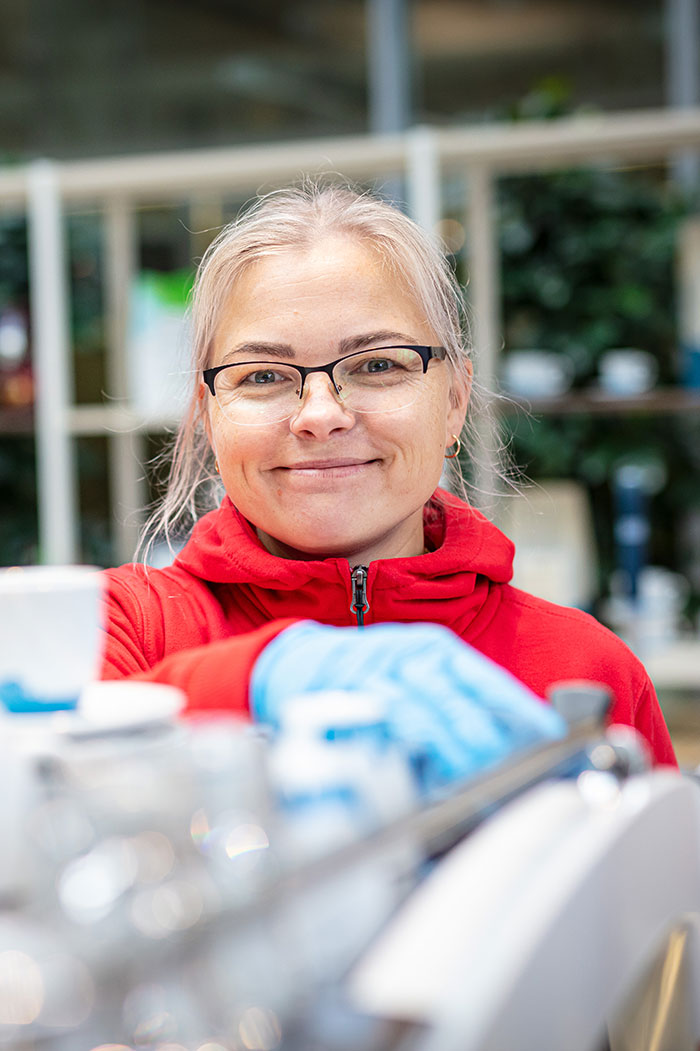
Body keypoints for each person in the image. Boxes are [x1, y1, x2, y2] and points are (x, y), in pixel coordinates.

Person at [101, 182, 676, 784]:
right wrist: (260, 674)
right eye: (264, 375)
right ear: (210, 414)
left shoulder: (589, 669)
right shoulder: (128, 630)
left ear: (454, 401)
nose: (320, 415)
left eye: (378, 364)